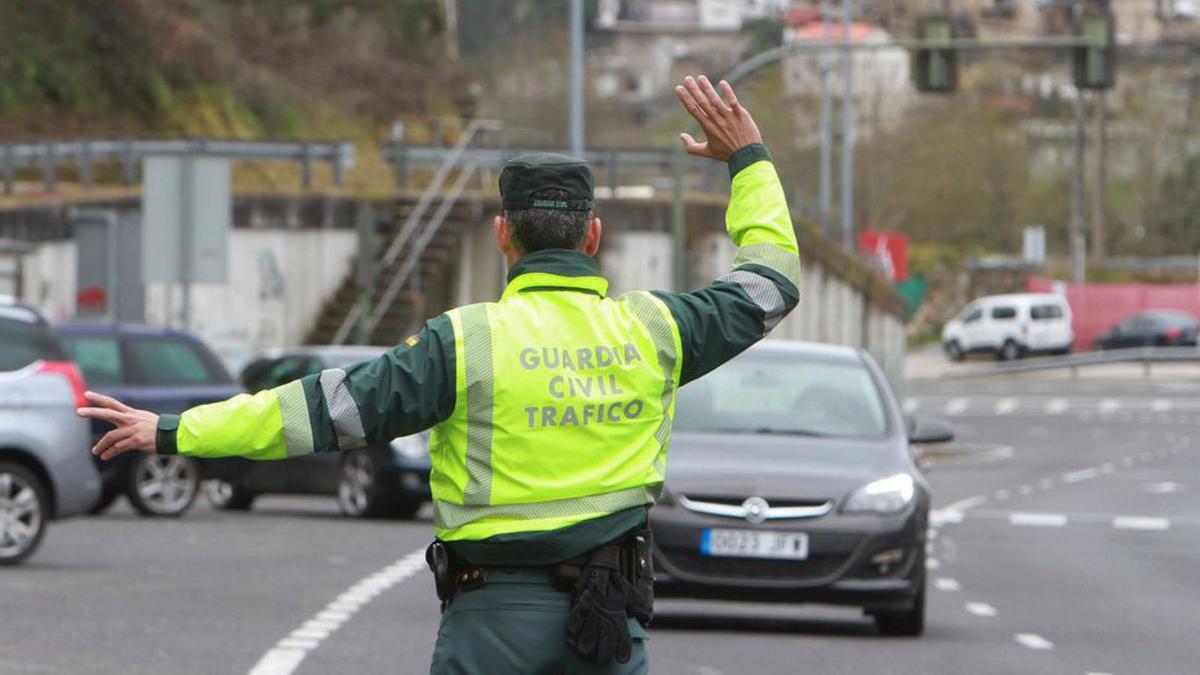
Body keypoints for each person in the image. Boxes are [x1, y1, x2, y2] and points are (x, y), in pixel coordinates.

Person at [78, 75, 800, 675]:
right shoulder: (657, 330)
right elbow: (770, 282)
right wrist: (750, 161)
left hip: (486, 626)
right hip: (607, 628)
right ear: (594, 236)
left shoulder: (463, 342)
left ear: (502, 236)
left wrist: (173, 428)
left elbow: (319, 411)